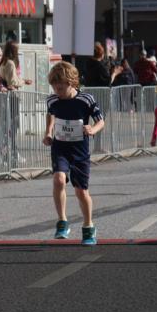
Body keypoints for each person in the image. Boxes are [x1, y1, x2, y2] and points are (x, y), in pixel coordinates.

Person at [44, 61, 105, 245]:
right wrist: (48, 132)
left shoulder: (86, 99)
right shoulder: (52, 100)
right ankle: (62, 222)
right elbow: (51, 114)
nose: (58, 91)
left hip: (80, 150)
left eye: (61, 88)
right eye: (55, 87)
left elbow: (101, 121)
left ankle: (88, 227)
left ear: (71, 83)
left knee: (81, 192)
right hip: (60, 147)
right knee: (59, 180)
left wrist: (92, 129)